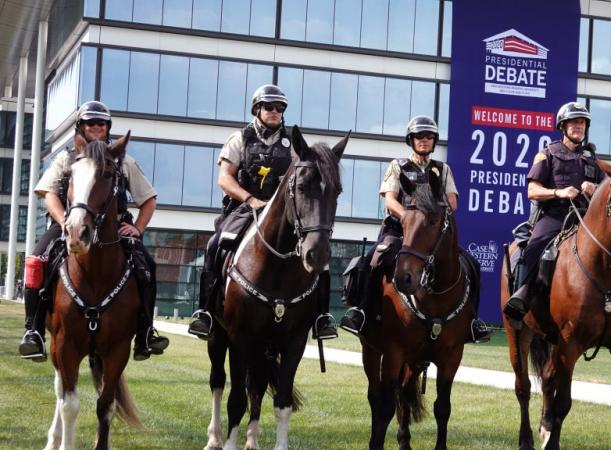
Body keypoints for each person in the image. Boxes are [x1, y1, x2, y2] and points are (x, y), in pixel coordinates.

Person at [502, 102, 611, 337]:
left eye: (582, 123)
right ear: (563, 126)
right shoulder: (548, 153)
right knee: (534, 247)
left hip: (586, 217)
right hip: (554, 215)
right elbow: (532, 190)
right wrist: (559, 192)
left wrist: (595, 189)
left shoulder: (592, 158)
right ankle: (521, 297)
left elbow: (609, 193)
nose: (578, 126)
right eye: (574, 122)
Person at [19, 100, 169, 362]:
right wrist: (64, 220)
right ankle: (33, 330)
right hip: (71, 224)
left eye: (102, 123)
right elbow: (48, 193)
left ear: (108, 127)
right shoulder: (66, 158)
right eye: (90, 122)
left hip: (114, 228)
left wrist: (137, 227)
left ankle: (146, 332)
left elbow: (148, 199)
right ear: (81, 126)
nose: (97, 126)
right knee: (36, 259)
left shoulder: (123, 161)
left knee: (147, 265)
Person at [187, 84, 338, 340]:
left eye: (280, 108)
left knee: (318, 252)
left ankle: (322, 317)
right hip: (244, 208)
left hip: (282, 214)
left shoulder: (293, 144)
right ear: (257, 109)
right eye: (269, 107)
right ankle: (205, 312)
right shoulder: (239, 139)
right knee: (214, 244)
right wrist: (250, 199)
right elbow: (224, 178)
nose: (275, 111)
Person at [339, 115, 492, 344]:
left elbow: (452, 202)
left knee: (472, 264)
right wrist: (408, 218)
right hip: (399, 230)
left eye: (428, 136)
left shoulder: (443, 169)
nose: (424, 140)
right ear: (410, 140)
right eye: (419, 136)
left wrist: (430, 218)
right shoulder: (398, 166)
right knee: (374, 259)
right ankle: (362, 313)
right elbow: (390, 200)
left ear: (434, 141)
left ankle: (472, 323)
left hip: (431, 233)